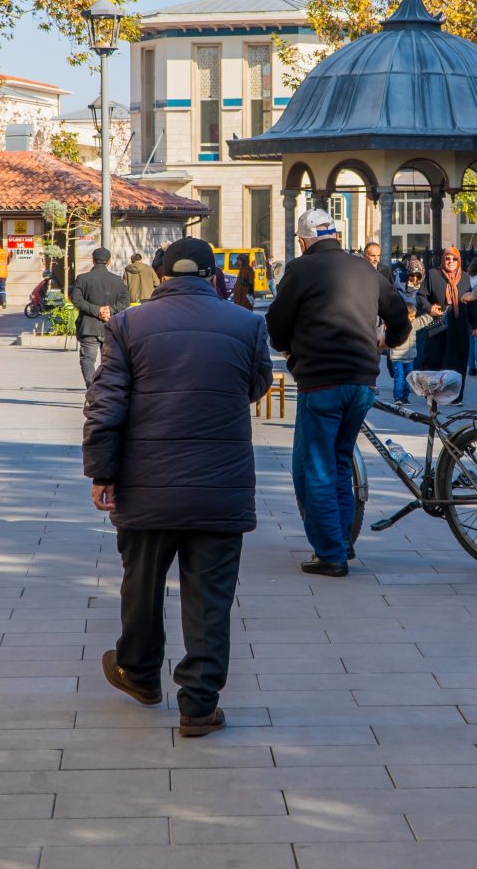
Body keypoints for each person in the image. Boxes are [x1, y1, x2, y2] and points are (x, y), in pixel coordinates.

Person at [84, 235, 273, 739]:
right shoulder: (249, 324)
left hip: (145, 484)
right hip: (220, 484)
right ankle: (199, 704)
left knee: (141, 585)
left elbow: (105, 404)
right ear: (215, 276)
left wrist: (102, 472)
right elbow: (256, 385)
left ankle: (141, 674)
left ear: (162, 276)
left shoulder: (127, 324)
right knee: (210, 596)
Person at [266, 207, 410, 576]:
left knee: (315, 468)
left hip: (321, 381)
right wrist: (386, 341)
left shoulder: (299, 270)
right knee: (340, 461)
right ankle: (342, 541)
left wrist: (287, 348)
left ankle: (330, 552)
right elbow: (399, 317)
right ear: (335, 235)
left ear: (303, 240)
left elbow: (276, 325)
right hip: (362, 382)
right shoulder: (366, 268)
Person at [417, 246, 477, 402]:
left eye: (454, 259)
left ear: (459, 261)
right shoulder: (433, 274)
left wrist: (475, 324)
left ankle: (455, 396)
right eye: (447, 258)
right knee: (434, 359)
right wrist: (430, 308)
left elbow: (470, 301)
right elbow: (421, 296)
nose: (451, 261)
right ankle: (433, 395)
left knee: (457, 360)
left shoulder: (464, 277)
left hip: (459, 325)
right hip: (438, 323)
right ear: (442, 259)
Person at [69, 247, 131, 387]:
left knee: (87, 359)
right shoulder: (117, 280)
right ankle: (106, 389)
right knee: (109, 361)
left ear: (93, 260)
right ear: (109, 261)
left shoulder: (82, 279)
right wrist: (110, 310)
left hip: (89, 327)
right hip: (111, 327)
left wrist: (97, 311)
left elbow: (77, 300)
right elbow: (125, 301)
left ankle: (92, 388)